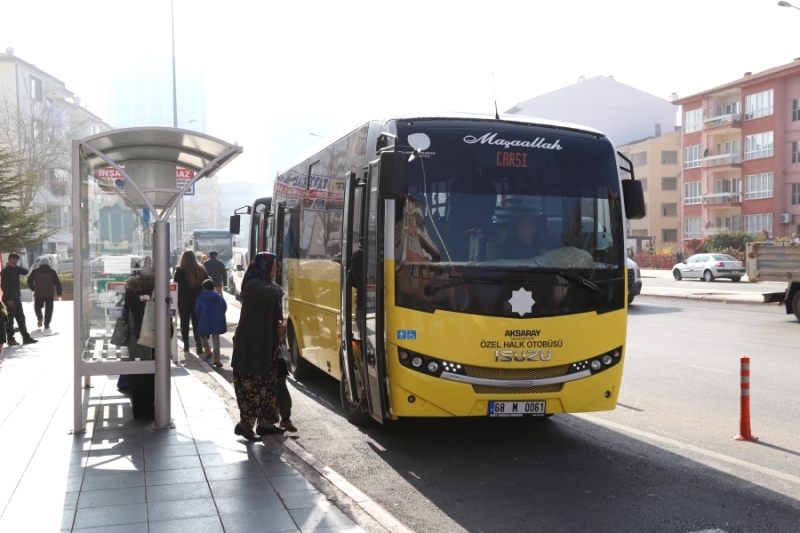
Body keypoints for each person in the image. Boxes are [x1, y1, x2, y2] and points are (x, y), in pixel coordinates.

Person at [231, 252, 287, 440]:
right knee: (252, 386)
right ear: (264, 266)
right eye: (273, 266)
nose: (276, 269)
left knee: (268, 386)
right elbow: (276, 293)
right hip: (251, 346)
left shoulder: (262, 283)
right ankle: (244, 426)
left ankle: (265, 423)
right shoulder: (255, 284)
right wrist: (277, 286)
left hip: (264, 344)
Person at [174, 250, 211, 357]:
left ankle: (186, 343)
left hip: (183, 300)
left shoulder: (180, 270)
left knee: (184, 322)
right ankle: (198, 343)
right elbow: (206, 284)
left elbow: (176, 285)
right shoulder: (201, 269)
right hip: (198, 300)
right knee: (196, 322)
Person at [1, 253, 37, 345]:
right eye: (14, 259)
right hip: (9, 299)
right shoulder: (5, 271)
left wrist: (15, 267)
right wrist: (9, 299)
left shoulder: (16, 269)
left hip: (17, 298)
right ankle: (10, 339)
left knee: (21, 318)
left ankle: (26, 337)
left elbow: (25, 271)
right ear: (9, 259)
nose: (15, 261)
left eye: (17, 260)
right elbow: (4, 286)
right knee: (10, 319)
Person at [195, 278, 226, 368]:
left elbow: (197, 309)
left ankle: (207, 349)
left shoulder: (201, 297)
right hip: (216, 319)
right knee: (216, 337)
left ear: (204, 287)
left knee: (201, 333)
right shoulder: (219, 296)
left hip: (204, 318)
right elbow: (224, 307)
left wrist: (200, 317)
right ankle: (217, 358)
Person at [27, 256, 62, 330]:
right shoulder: (52, 271)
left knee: (37, 307)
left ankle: (40, 318)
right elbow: (57, 283)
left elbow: (29, 281)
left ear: (40, 263)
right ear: (48, 263)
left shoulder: (35, 271)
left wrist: (33, 288)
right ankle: (46, 324)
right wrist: (59, 292)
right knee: (49, 309)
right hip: (49, 293)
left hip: (39, 292)